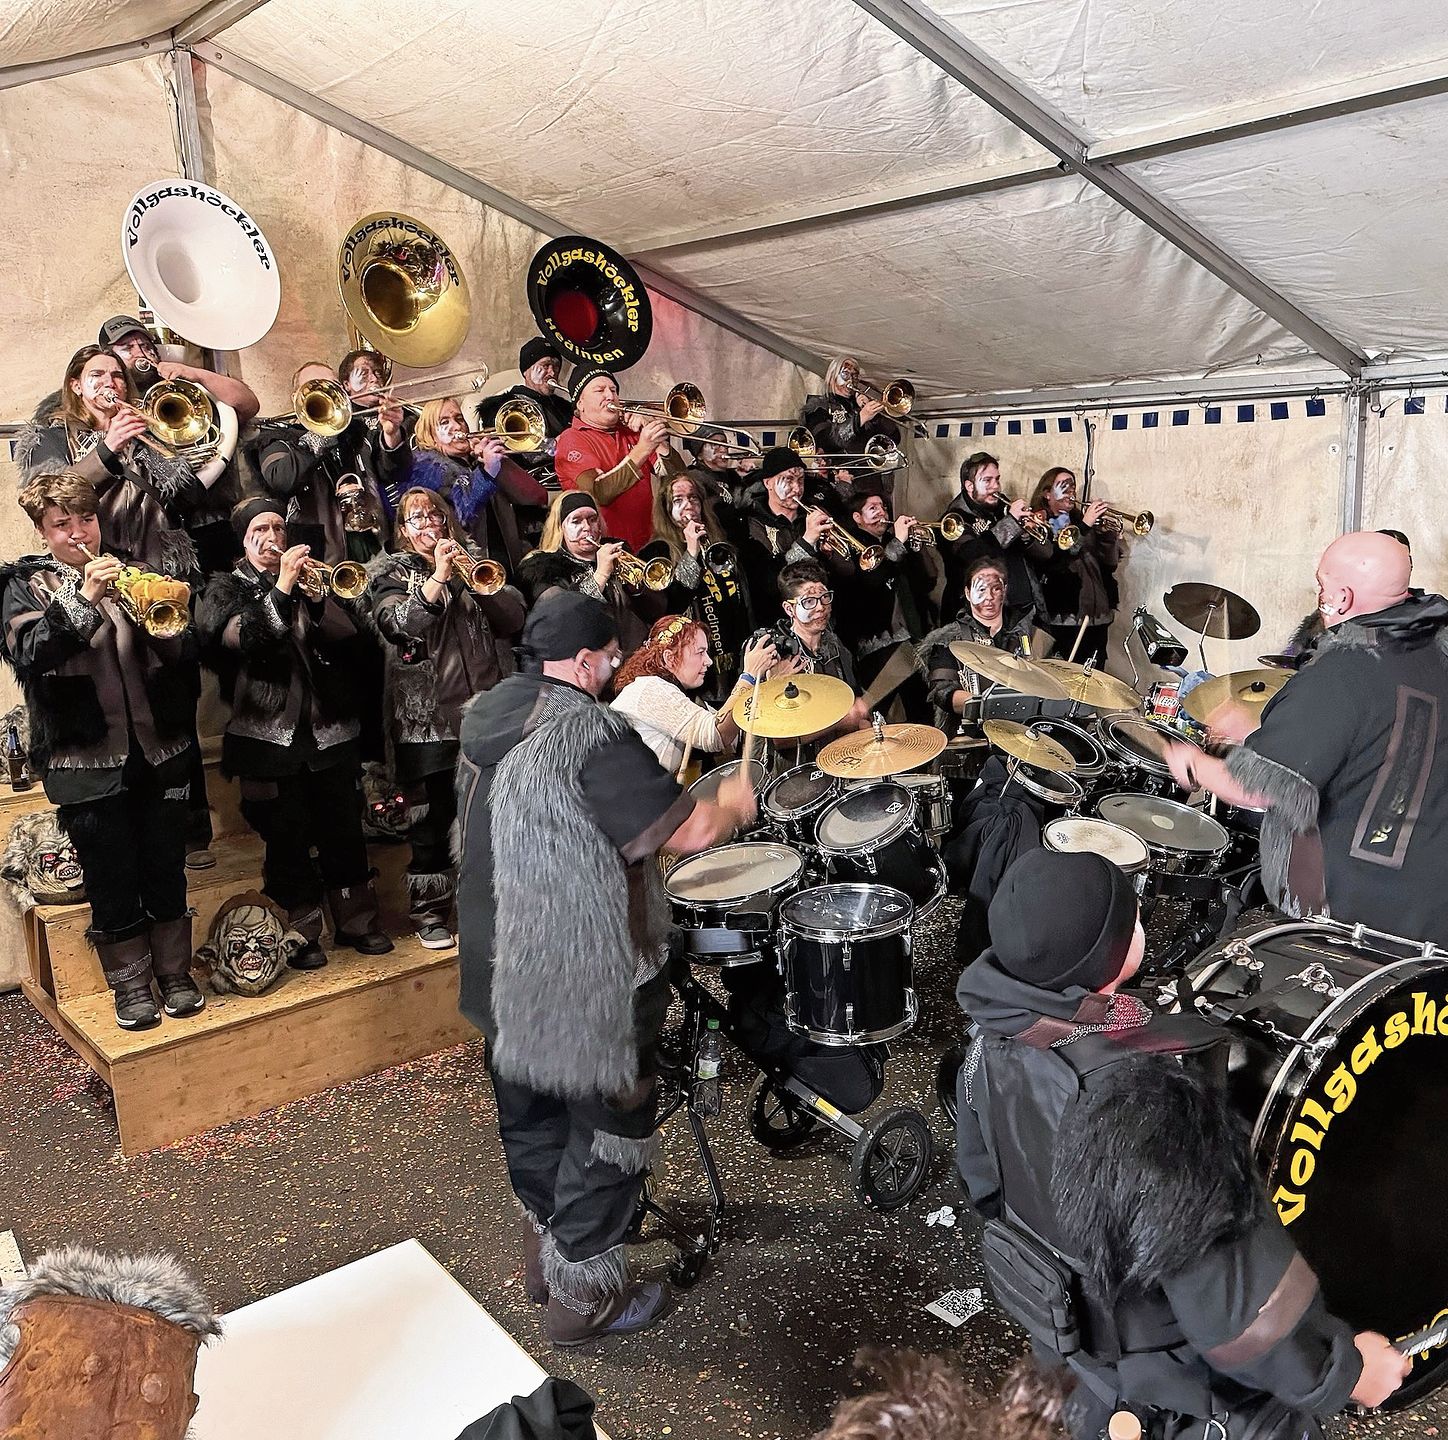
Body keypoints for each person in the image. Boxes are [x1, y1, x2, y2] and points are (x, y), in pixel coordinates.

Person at [954, 848, 1409, 1438]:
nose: (1141, 921)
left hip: (1070, 1366)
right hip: (1180, 1403)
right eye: (1132, 917)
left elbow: (983, 1187)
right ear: (1112, 957)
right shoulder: (1149, 1104)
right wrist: (1346, 1372)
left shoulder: (989, 1043)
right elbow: (1242, 1314)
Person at [454, 591, 759, 1345]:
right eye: (609, 657)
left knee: (530, 1111)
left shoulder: (485, 716)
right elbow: (687, 831)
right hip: (584, 974)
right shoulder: (591, 733)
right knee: (605, 1128)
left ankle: (546, 1259)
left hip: (497, 961)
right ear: (587, 661)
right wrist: (738, 803)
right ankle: (583, 1297)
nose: (614, 669)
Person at [1163, 530, 1448, 945]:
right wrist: (1260, 732)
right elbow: (1382, 736)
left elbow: (1256, 790)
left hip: (1356, 913)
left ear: (1343, 598)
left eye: (1322, 585)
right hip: (1430, 894)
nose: (1320, 595)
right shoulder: (1433, 651)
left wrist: (1193, 761)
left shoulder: (1343, 670)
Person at [0, 473, 203, 1029]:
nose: (77, 533)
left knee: (166, 864)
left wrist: (163, 617)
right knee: (111, 875)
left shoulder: (131, 569)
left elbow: (179, 650)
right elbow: (30, 653)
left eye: (84, 520)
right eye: (61, 525)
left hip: (156, 747)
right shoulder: (23, 586)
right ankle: (131, 987)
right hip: (84, 756)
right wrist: (85, 598)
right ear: (43, 532)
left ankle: (175, 974)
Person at [197, 498, 392, 969]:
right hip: (266, 739)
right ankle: (300, 935)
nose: (272, 537)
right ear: (244, 541)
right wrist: (283, 587)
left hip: (330, 733)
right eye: (260, 529)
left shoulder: (313, 578)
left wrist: (322, 596)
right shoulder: (223, 588)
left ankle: (356, 922)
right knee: (286, 838)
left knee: (344, 830)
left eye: (278, 528)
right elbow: (242, 639)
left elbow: (354, 638)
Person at [369, 488, 526, 948]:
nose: (426, 526)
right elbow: (397, 625)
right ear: (403, 530)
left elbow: (513, 618)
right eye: (415, 520)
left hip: (487, 711)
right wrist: (437, 577)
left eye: (433, 517)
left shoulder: (476, 561)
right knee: (431, 819)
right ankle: (431, 911)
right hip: (425, 718)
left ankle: (495, 904)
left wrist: (477, 582)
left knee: (492, 816)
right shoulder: (390, 573)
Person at [19, 346, 205, 580]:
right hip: (95, 572)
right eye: (96, 375)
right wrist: (108, 447)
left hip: (163, 570)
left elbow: (190, 497)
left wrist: (152, 444)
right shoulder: (50, 438)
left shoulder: (146, 435)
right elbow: (48, 499)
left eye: (117, 376)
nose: (109, 382)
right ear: (76, 386)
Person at [98, 315, 261, 577]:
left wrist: (195, 374)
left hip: (207, 516)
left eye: (146, 346)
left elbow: (248, 404)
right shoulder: (105, 402)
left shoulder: (181, 386)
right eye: (127, 349)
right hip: (145, 531)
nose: (140, 353)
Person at [251, 358, 409, 565]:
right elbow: (282, 479)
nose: (326, 393)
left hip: (373, 541)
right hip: (318, 551)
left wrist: (392, 434)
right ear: (295, 397)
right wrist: (323, 431)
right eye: (315, 387)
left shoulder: (358, 433)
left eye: (332, 387)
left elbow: (396, 473)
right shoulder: (278, 439)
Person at [610, 614, 780, 774]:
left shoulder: (682, 697)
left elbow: (737, 735)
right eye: (700, 652)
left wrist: (770, 683)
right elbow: (717, 735)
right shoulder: (648, 689)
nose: (709, 661)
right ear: (669, 658)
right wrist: (749, 675)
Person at [396, 397, 548, 570]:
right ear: (431, 434)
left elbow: (536, 496)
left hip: (510, 559)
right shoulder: (428, 472)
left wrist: (498, 461)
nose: (456, 426)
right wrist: (487, 472)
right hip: (471, 568)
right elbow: (462, 514)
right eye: (444, 422)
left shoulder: (479, 460)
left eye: (459, 419)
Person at [832, 485, 935, 720]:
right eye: (873, 508)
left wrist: (916, 547)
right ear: (857, 517)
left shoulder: (893, 541)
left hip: (910, 639)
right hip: (875, 644)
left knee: (922, 710)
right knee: (876, 712)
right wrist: (898, 542)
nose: (882, 513)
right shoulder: (851, 546)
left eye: (883, 507)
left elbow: (927, 581)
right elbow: (872, 582)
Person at [648, 473, 755, 700]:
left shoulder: (719, 542)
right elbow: (670, 604)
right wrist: (691, 552)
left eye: (694, 498)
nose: (688, 506)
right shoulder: (657, 551)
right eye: (678, 500)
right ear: (666, 510)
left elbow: (741, 598)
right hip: (692, 663)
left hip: (733, 652)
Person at [554, 368, 674, 552]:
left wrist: (659, 441)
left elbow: (676, 478)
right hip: (600, 551)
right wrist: (643, 448)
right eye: (600, 390)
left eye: (614, 390)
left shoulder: (632, 433)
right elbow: (599, 493)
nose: (610, 396)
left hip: (647, 546)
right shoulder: (571, 439)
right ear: (580, 404)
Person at [516, 492, 647, 653]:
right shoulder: (540, 568)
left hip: (632, 655)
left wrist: (638, 590)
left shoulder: (617, 554)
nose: (587, 527)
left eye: (592, 519)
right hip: (583, 662)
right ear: (560, 528)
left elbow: (655, 611)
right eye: (576, 521)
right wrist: (600, 575)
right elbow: (561, 617)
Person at [921, 556, 1036, 733]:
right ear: (967, 593)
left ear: (1004, 591)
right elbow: (942, 693)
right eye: (980, 589)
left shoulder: (1025, 633)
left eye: (995, 589)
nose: (988, 597)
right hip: (972, 737)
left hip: (1025, 730)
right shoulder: (947, 640)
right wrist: (990, 705)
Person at [939, 452, 1048, 623]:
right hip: (977, 616)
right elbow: (975, 556)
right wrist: (1011, 523)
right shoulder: (954, 519)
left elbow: (1043, 555)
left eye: (997, 479)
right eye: (987, 480)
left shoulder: (1001, 506)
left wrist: (1027, 533)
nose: (995, 486)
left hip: (1022, 610)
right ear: (969, 486)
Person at [1027, 467, 1119, 667]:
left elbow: (1109, 565)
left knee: (1096, 676)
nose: (1071, 493)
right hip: (1063, 618)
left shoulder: (1080, 520)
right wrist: (1084, 527)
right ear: (1047, 493)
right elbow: (1053, 563)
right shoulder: (1040, 523)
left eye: (1073, 487)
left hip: (1097, 618)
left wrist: (1107, 538)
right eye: (1064, 487)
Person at [738, 447, 838, 609]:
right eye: (788, 480)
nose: (797, 489)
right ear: (767, 482)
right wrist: (807, 541)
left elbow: (848, 572)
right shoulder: (750, 523)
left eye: (800, 480)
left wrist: (830, 554)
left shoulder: (813, 512)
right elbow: (769, 582)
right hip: (777, 617)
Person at [475, 337, 575, 467]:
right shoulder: (501, 407)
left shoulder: (564, 407)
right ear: (526, 371)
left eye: (556, 366)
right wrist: (557, 444)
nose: (552, 372)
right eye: (545, 366)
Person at [801, 355, 900, 459]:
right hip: (840, 471)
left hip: (869, 469)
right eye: (845, 374)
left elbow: (894, 439)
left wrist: (876, 416)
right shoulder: (818, 408)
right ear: (831, 378)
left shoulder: (860, 404)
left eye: (855, 376)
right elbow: (825, 443)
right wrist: (861, 418)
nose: (851, 380)